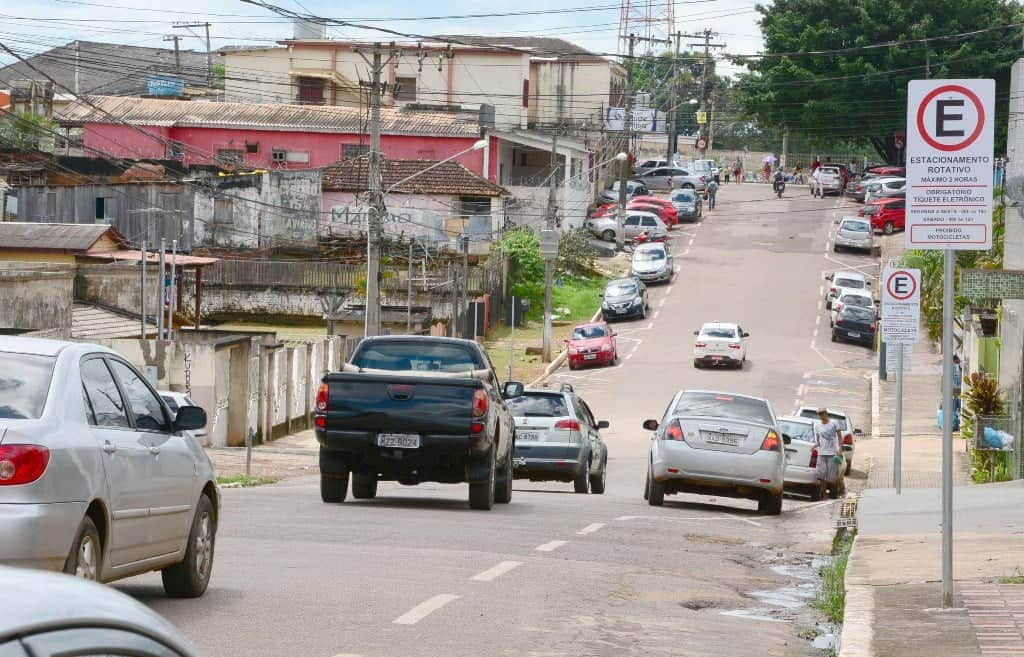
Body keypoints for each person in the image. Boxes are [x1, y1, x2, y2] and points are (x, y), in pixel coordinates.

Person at [814, 407, 844, 498]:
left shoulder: (834, 423)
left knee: (832, 478)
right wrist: (814, 446)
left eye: (822, 413)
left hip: (832, 454)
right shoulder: (817, 426)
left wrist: (840, 449)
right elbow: (818, 441)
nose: (821, 416)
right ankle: (824, 495)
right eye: (819, 414)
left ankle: (837, 490)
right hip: (822, 454)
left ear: (826, 413)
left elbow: (839, 438)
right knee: (821, 476)